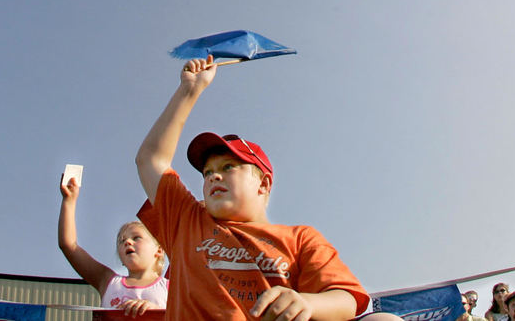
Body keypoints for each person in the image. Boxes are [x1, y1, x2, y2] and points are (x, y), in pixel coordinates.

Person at [134, 55, 400, 321]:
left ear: (263, 184)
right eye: (207, 173)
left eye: (228, 167)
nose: (213, 177)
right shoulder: (187, 221)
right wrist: (189, 90)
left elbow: (347, 300)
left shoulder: (300, 239)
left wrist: (306, 302)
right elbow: (150, 159)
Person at [58, 175, 167, 316]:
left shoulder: (172, 288)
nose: (127, 242)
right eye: (122, 241)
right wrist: (69, 201)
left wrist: (158, 312)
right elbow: (69, 246)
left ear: (159, 250)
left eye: (136, 238)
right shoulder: (108, 281)